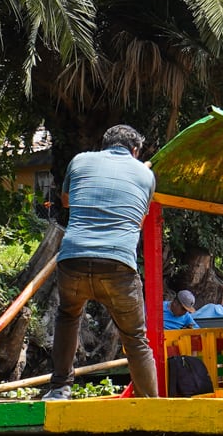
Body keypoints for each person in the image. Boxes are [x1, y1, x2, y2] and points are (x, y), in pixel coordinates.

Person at [45, 124, 160, 400]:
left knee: (68, 316)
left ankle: (59, 388)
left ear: (104, 145)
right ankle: (150, 402)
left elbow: (67, 201)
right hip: (118, 264)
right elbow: (139, 219)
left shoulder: (80, 160)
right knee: (135, 338)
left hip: (73, 258)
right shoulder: (146, 174)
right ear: (135, 151)